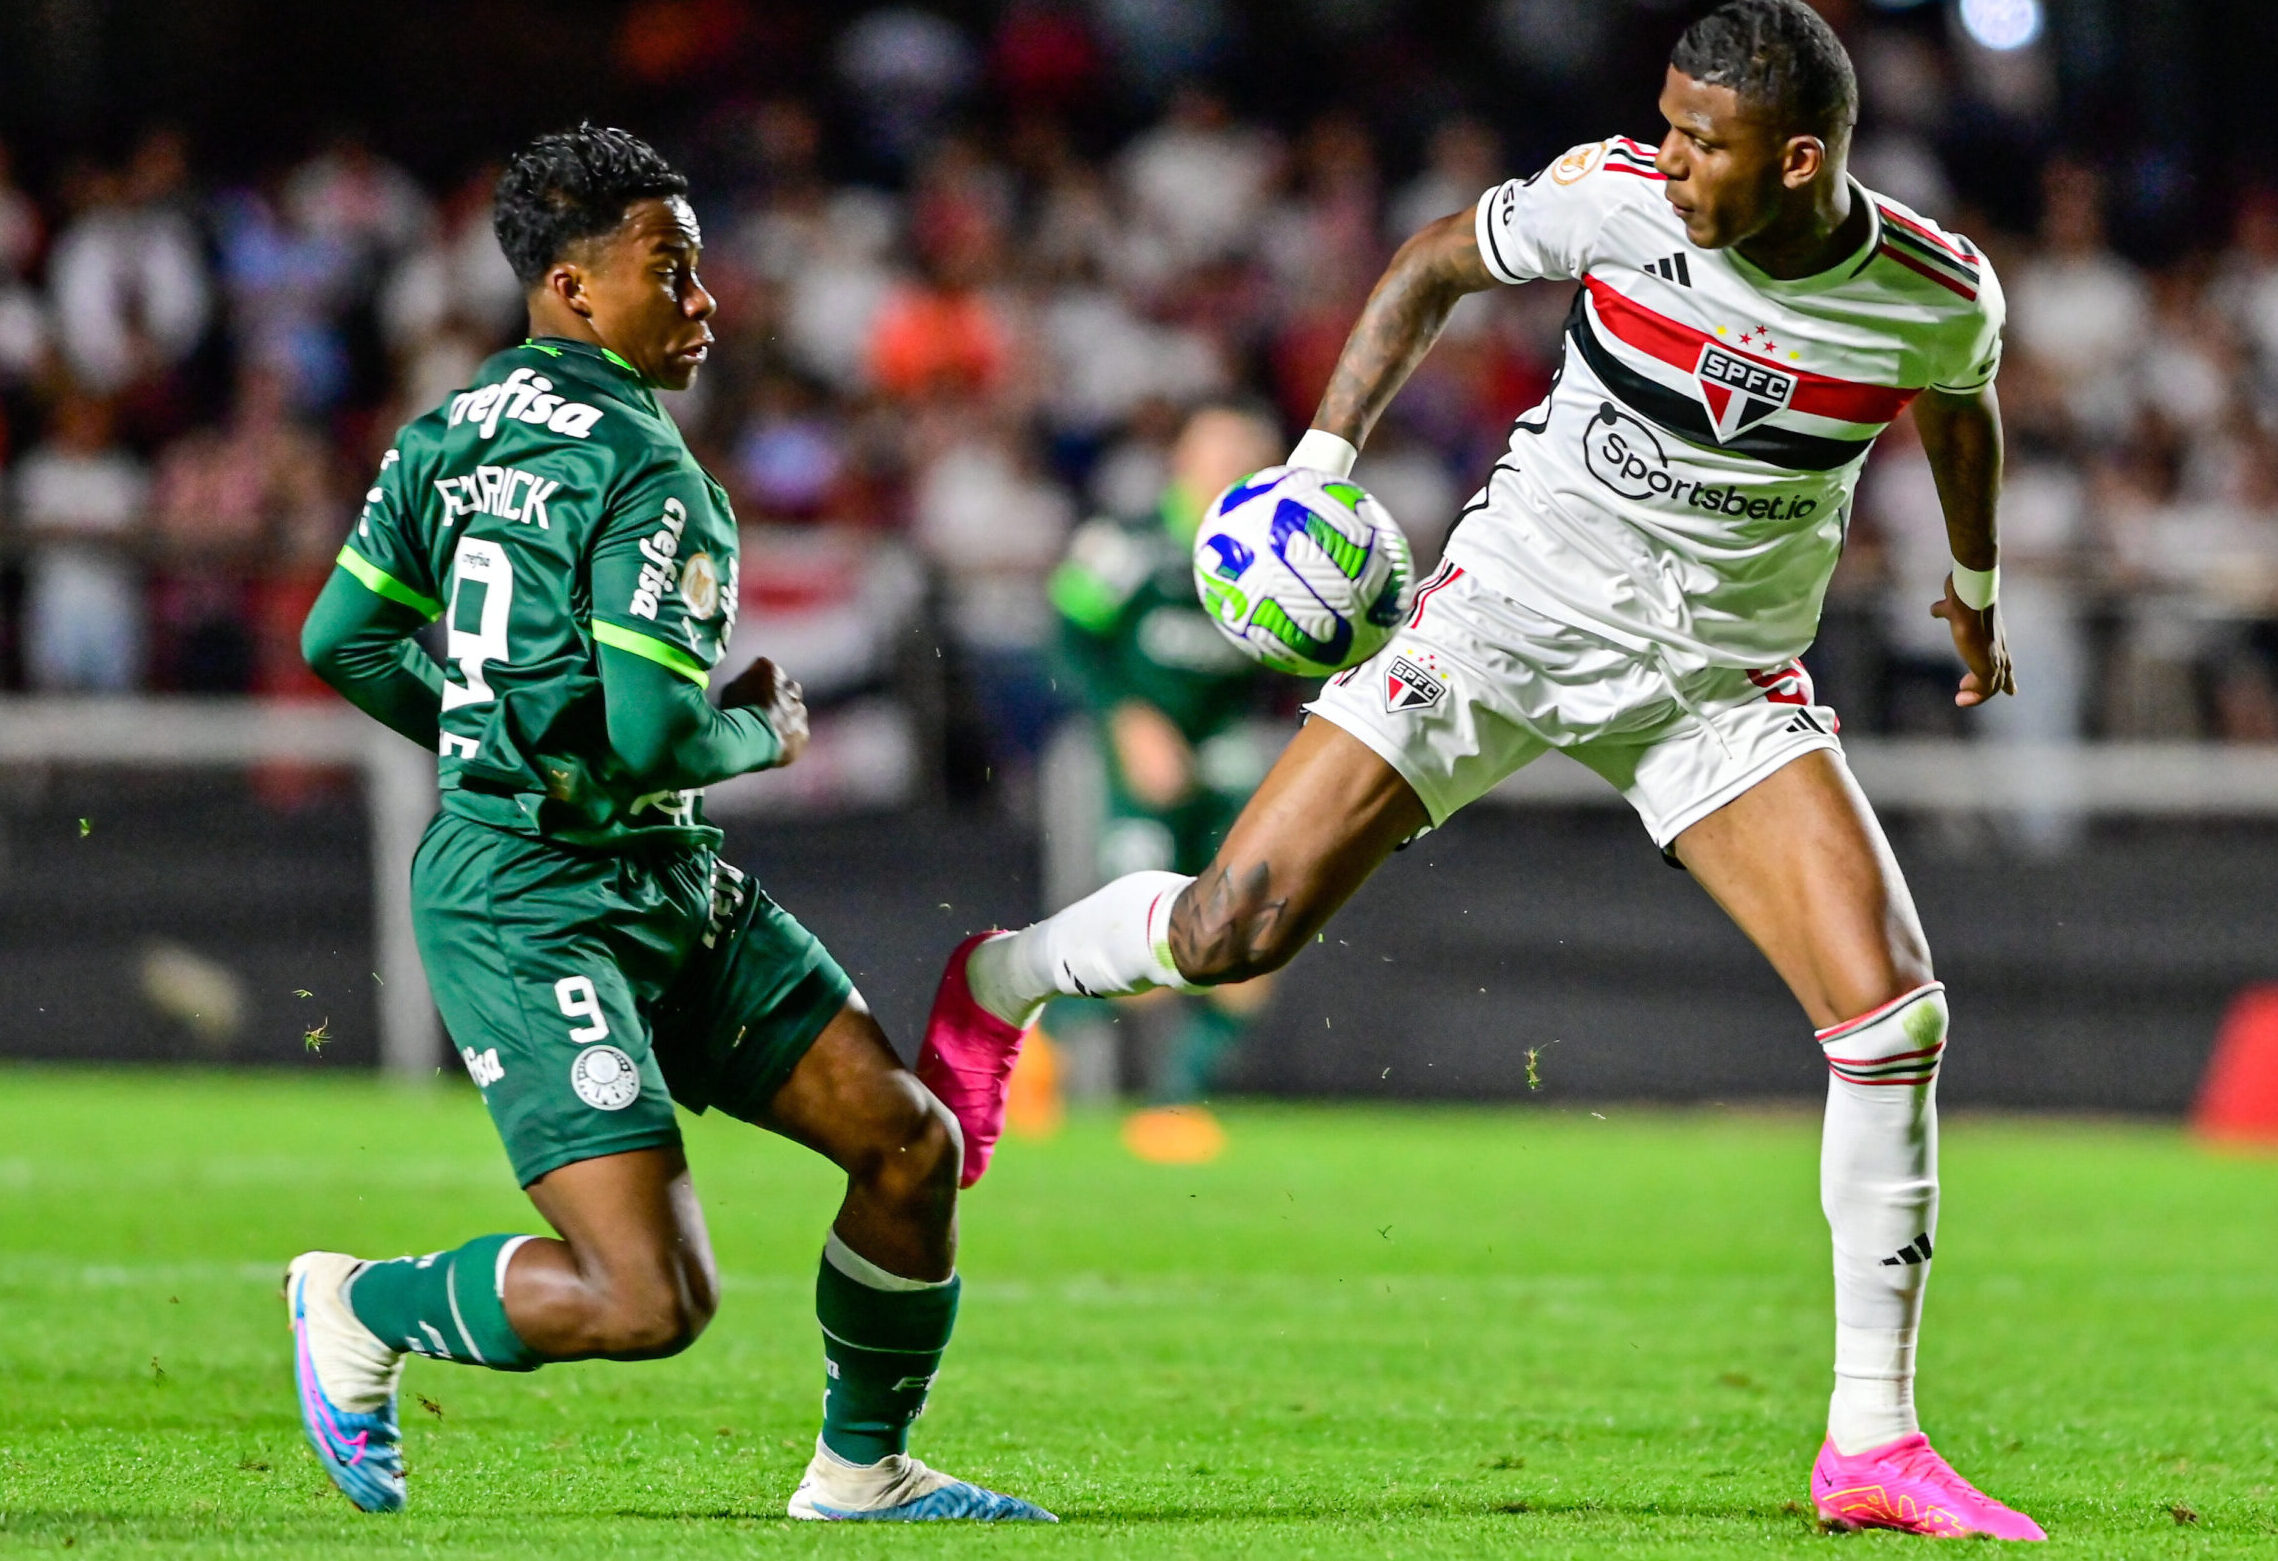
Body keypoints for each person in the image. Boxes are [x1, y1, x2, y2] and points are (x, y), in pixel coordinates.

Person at [915, 1, 2044, 1540]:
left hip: (1710, 684)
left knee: (1890, 1014)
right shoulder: (1613, 201)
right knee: (1232, 930)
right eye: (1662, 121)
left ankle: (1868, 1444)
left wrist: (1971, 592)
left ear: (1797, 158)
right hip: (1506, 619)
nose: (1668, 157)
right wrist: (1316, 468)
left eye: (1701, 141)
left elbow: (1958, 411)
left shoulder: (1930, 291)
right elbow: (1435, 258)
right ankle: (1005, 980)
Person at [288, 124, 1051, 1524]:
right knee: (646, 1300)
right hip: (536, 902)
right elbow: (652, 736)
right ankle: (360, 1302)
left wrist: (502, 745)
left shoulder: (443, 431)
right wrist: (768, 728)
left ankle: (861, 1472)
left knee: (907, 1141)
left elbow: (342, 638)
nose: (703, 303)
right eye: (673, 272)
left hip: (655, 876)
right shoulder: (652, 473)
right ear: (575, 290)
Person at [1042, 401, 1283, 1154]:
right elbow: (1065, 636)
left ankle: (1174, 1105)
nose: (1232, 469)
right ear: (1181, 461)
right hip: (1139, 757)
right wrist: (1130, 718)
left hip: (1226, 751)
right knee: (1143, 952)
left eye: (1248, 456)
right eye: (1218, 453)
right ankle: (1031, 1048)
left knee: (1262, 926)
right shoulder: (1125, 544)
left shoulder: (1281, 554)